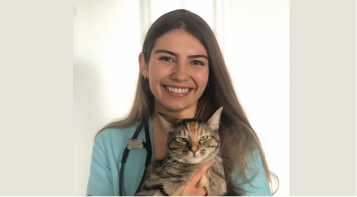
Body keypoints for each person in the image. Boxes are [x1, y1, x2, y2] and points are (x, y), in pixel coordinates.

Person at [86, 9, 279, 196]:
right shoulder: (109, 142)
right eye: (167, 58)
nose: (180, 75)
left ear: (210, 72)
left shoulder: (238, 141)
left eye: (196, 62)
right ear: (144, 65)